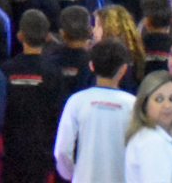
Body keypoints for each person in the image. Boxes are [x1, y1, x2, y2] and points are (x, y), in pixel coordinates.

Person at [53, 39, 135, 183]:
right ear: (123, 69)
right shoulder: (133, 104)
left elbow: (62, 150)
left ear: (91, 65)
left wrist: (71, 174)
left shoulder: (77, 101)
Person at [122, 69, 172, 183]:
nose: (167, 105)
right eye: (159, 99)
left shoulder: (160, 137)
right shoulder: (151, 141)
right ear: (144, 104)